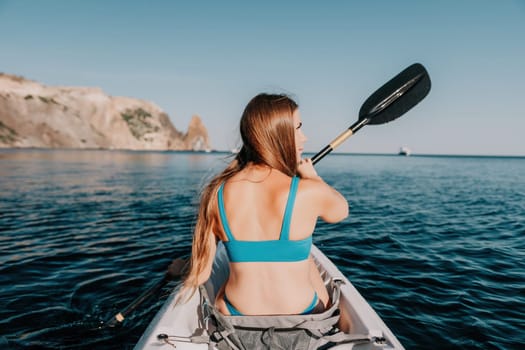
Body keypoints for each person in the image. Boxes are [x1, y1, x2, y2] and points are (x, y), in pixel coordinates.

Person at [181, 93, 348, 316]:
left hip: (237, 317)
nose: (305, 137)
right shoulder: (308, 191)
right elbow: (340, 212)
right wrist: (313, 178)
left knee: (225, 287)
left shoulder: (215, 193)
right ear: (278, 134)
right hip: (301, 316)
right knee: (306, 256)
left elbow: (200, 275)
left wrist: (180, 270)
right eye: (297, 128)